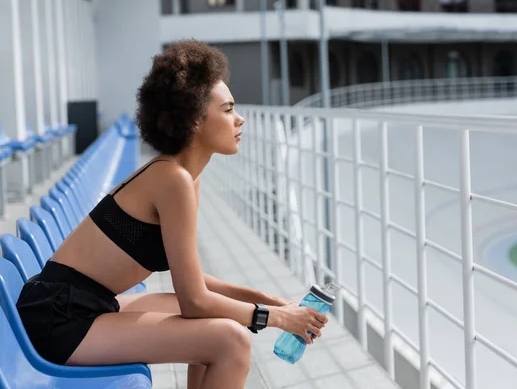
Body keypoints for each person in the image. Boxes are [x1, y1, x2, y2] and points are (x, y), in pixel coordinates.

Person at [15, 40, 328, 389]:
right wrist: (279, 318)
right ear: (194, 120)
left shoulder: (183, 178)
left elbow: (192, 279)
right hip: (59, 319)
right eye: (227, 110)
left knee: (224, 320)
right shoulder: (172, 180)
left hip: (78, 304)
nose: (240, 118)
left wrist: (266, 301)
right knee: (230, 340)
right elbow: (195, 301)